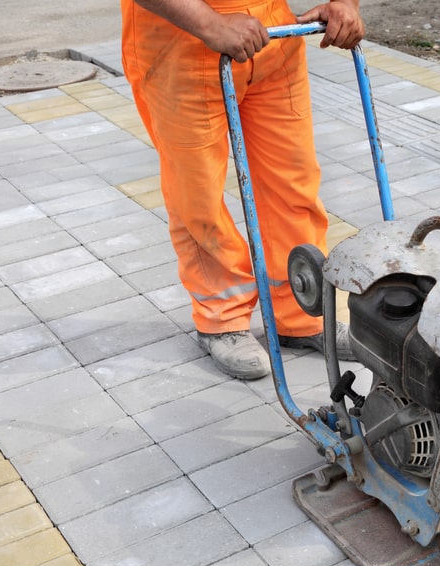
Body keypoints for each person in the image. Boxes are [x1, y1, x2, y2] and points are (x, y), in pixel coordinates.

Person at [121, 0, 364, 379]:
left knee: (293, 183)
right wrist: (210, 24)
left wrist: (345, 4)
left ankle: (302, 308)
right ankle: (222, 317)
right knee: (197, 194)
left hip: (271, 32)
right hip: (181, 38)